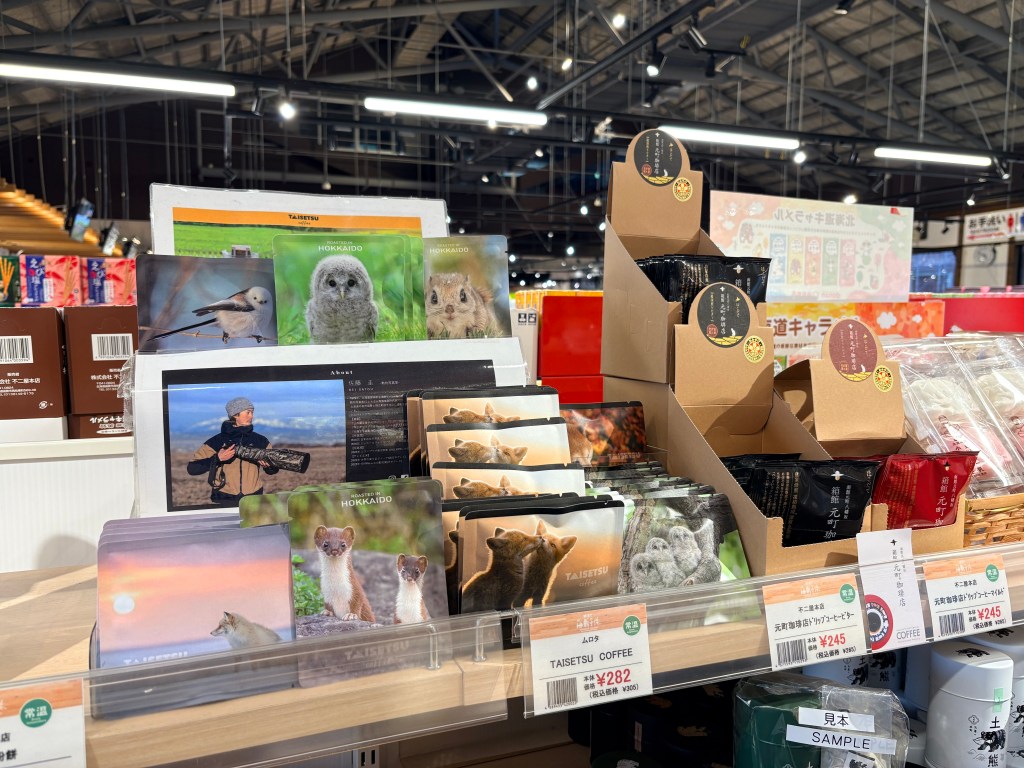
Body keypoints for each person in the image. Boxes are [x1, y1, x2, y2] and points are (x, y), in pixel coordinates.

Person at [187, 396, 278, 506]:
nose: (252, 416)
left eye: (252, 413)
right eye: (248, 412)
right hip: (223, 498)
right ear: (235, 414)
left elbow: (273, 470)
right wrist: (217, 459)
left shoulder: (260, 441)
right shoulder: (217, 441)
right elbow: (192, 468)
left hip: (254, 498)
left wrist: (268, 466)